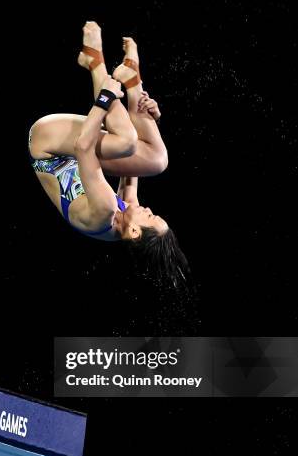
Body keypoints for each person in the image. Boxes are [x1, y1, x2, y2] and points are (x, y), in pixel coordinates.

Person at [29, 22, 189, 284]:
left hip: (47, 147)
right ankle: (134, 83)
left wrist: (105, 98)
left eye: (150, 216)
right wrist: (151, 121)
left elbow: (84, 146)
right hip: (71, 151)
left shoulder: (104, 212)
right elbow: (133, 169)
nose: (148, 208)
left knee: (126, 141)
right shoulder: (127, 215)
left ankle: (95, 62)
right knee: (157, 160)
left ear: (135, 232)